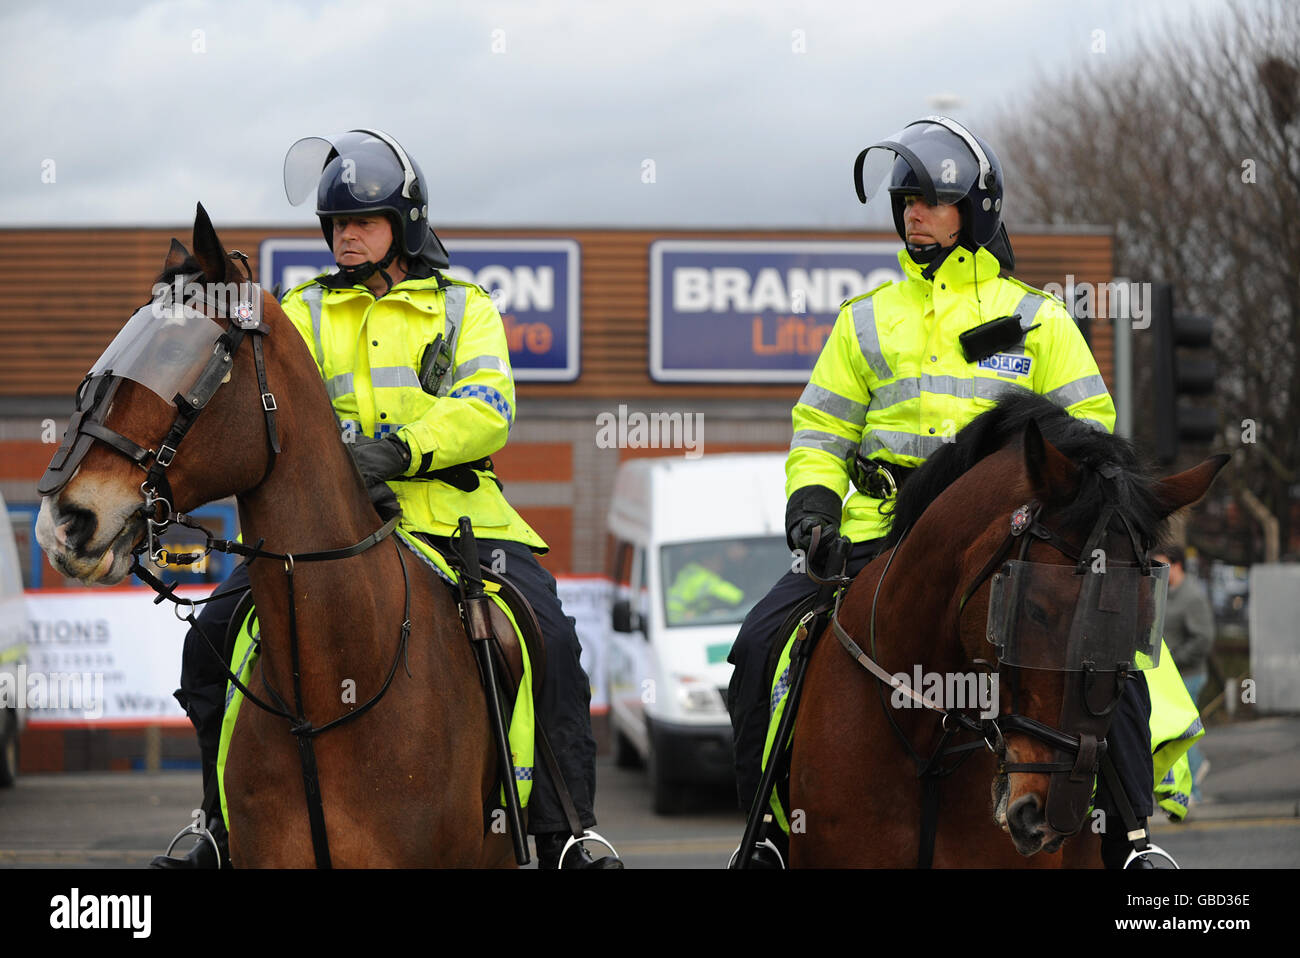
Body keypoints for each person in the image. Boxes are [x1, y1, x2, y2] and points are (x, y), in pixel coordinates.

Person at [154, 129, 620, 869]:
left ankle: (566, 831)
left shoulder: (466, 308)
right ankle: (214, 825)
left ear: (404, 226)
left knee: (549, 642)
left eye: (362, 223)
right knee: (209, 636)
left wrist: (400, 449)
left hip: (452, 520)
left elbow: (486, 408)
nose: (345, 237)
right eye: (336, 225)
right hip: (321, 531)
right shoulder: (300, 311)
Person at [726, 115, 1154, 868]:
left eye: (929, 199)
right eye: (905, 201)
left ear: (976, 210)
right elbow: (820, 434)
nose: (913, 213)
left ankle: (1130, 839)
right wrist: (814, 510)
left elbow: (1092, 436)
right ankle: (767, 831)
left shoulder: (1040, 321)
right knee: (763, 646)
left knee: (1116, 663)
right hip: (874, 540)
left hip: (1015, 547)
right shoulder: (864, 322)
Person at [1153, 545, 1215, 801]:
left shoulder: (1191, 597)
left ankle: (1193, 777)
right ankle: (1192, 791)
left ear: (1177, 566)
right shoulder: (1166, 592)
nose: (1155, 571)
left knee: (1179, 732)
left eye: (1161, 565)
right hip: (1170, 676)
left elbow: (1203, 638)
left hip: (1187, 674)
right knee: (1175, 731)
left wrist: (1174, 659)